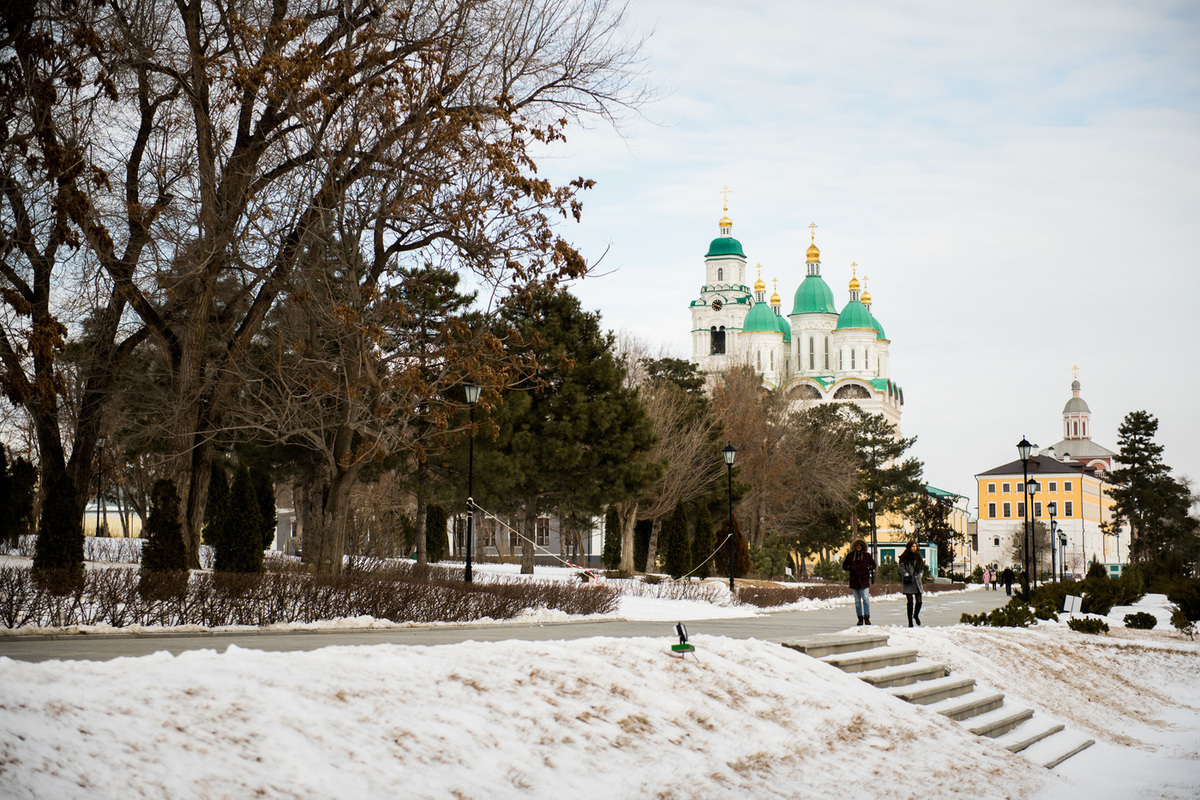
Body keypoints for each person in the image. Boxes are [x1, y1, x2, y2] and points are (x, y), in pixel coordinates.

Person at [842, 538, 877, 626]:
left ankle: (867, 617)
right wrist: (850, 568)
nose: (858, 547)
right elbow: (844, 565)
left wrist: (868, 568)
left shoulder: (867, 555)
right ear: (855, 546)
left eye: (860, 545)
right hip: (854, 580)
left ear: (862, 546)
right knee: (857, 601)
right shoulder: (850, 556)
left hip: (864, 579)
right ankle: (860, 618)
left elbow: (874, 565)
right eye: (857, 545)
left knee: (865, 598)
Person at [898, 540, 925, 627]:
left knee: (919, 601)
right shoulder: (904, 557)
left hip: (917, 580)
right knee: (910, 601)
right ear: (909, 547)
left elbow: (921, 567)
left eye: (915, 546)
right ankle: (910, 621)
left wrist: (920, 574)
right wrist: (906, 574)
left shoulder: (918, 557)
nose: (914, 548)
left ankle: (916, 615)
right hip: (908, 581)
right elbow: (901, 567)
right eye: (912, 546)